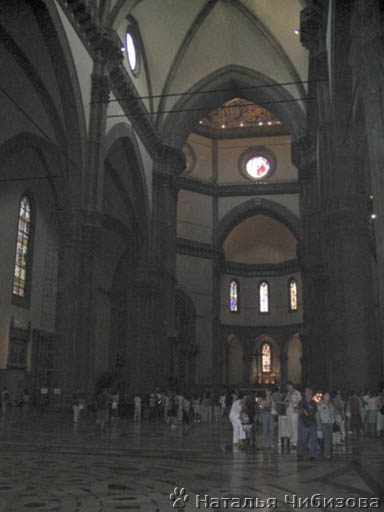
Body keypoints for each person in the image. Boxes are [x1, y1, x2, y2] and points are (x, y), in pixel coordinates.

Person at [297, 387, 319, 461]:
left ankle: (313, 454)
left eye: (310, 392)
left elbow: (316, 413)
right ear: (305, 393)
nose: (309, 394)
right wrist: (302, 411)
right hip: (303, 421)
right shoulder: (302, 401)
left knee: (313, 439)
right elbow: (298, 410)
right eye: (307, 392)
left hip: (312, 422)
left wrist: (318, 424)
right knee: (303, 438)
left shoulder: (313, 402)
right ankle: (300, 452)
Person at [317, 392, 336, 459]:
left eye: (328, 395)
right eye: (326, 395)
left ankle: (328, 451)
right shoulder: (320, 404)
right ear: (323, 396)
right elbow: (318, 414)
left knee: (330, 438)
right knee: (327, 438)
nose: (328, 396)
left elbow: (333, 413)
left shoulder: (331, 404)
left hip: (331, 422)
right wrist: (319, 423)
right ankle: (326, 454)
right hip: (324, 422)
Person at [284, 381, 301, 448]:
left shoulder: (297, 393)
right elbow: (286, 401)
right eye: (287, 387)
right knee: (289, 426)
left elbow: (299, 402)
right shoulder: (288, 393)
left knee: (294, 426)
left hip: (294, 410)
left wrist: (294, 403)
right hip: (288, 410)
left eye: (289, 386)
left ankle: (295, 443)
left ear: (291, 386)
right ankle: (292, 440)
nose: (288, 388)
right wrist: (285, 403)